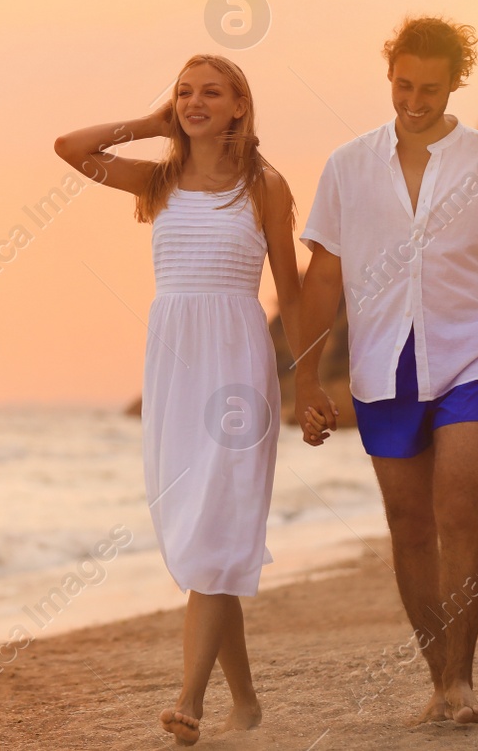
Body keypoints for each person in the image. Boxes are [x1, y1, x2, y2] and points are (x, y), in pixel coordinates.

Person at [54, 54, 321, 745]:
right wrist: (148, 123)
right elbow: (71, 148)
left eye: (212, 92)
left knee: (215, 530)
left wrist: (310, 384)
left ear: (240, 105)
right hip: (175, 366)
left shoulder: (266, 185)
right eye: (184, 92)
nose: (196, 101)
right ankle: (249, 703)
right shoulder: (159, 179)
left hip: (237, 362)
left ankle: (189, 699)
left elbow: (289, 294)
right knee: (206, 537)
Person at [292, 16, 478, 725]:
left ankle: (462, 681)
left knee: (458, 510)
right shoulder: (347, 164)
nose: (414, 99)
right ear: (389, 77)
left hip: (471, 355)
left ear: (455, 82)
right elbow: (323, 279)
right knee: (408, 524)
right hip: (381, 364)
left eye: (429, 87)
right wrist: (306, 378)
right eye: (403, 84)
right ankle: (438, 678)